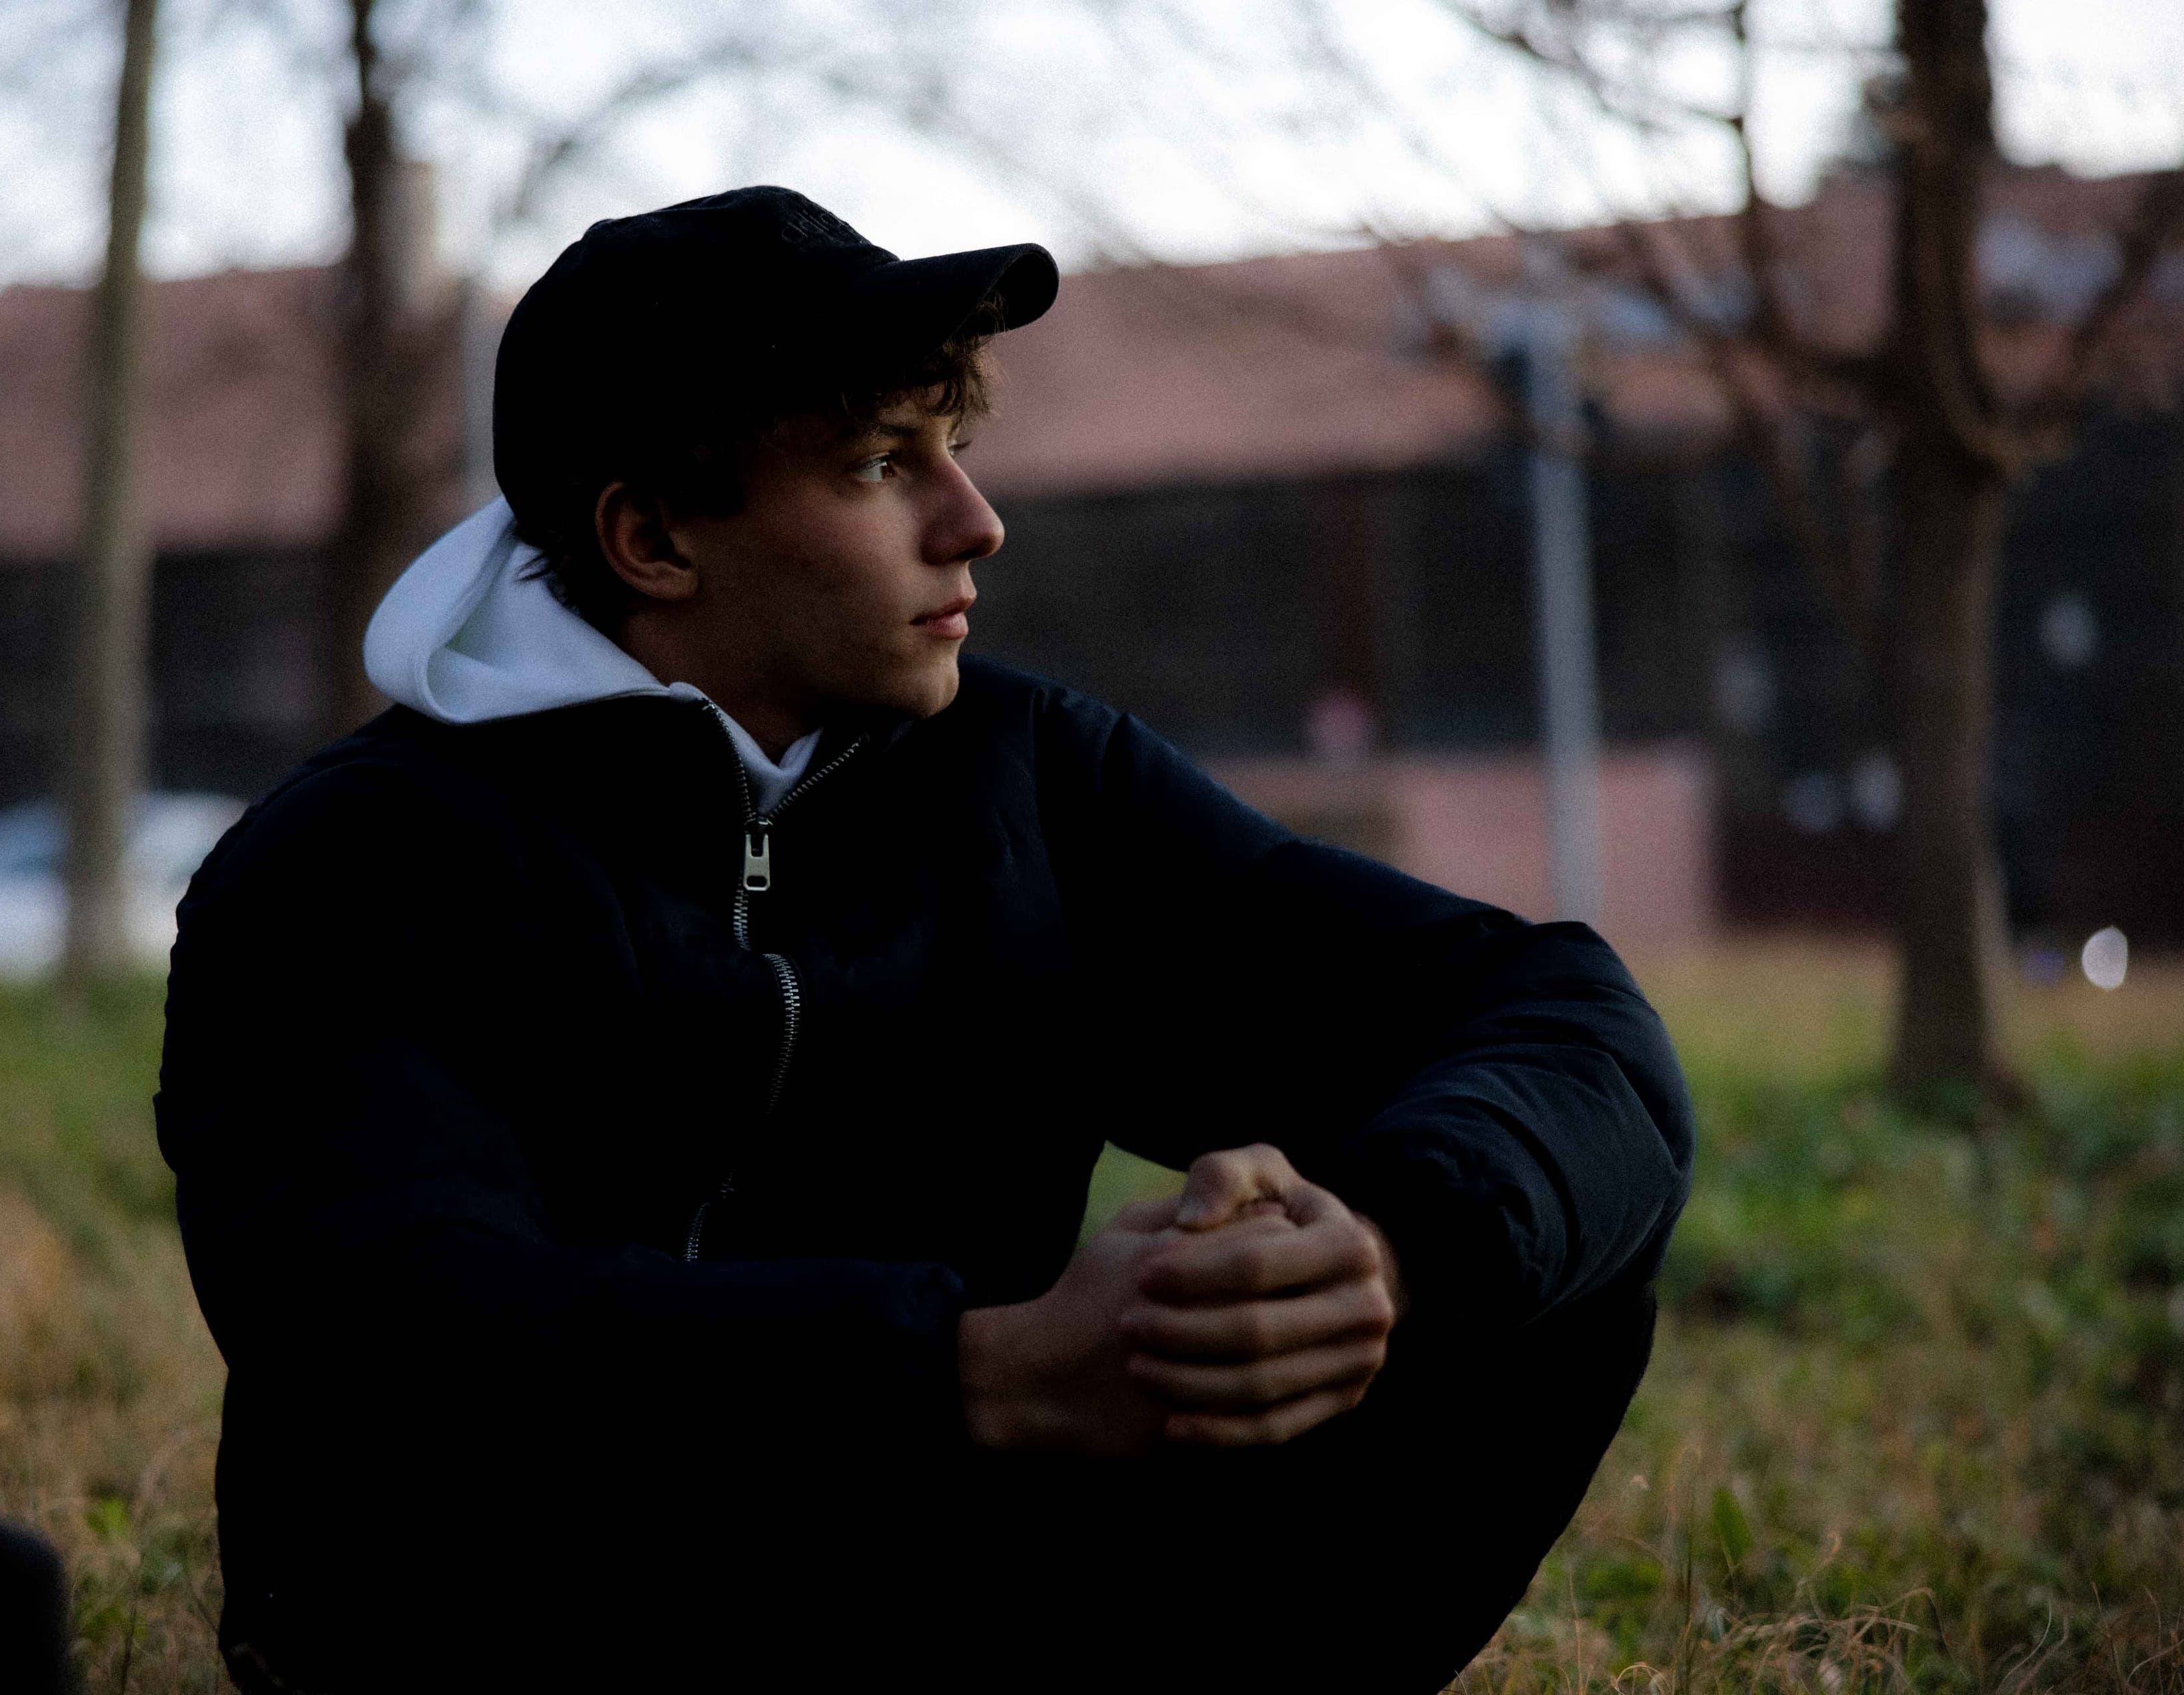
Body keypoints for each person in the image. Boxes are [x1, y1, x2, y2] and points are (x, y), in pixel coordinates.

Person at [156, 185, 1694, 1692]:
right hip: (515, 1621)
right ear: (653, 538)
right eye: (885, 463)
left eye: (954, 446)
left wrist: (1386, 1249)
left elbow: (1558, 1014)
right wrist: (976, 1373)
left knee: (1530, 1234)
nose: (976, 521)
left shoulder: (1035, 781)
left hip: (949, 1599)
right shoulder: (345, 869)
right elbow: (409, 1352)